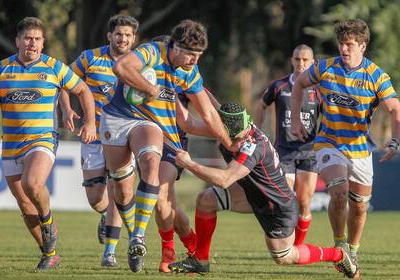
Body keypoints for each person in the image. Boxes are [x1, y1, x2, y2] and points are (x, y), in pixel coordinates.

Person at [99, 19, 235, 273]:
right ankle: (139, 237)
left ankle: (146, 241)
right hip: (118, 118)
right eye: (190, 55)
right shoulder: (152, 52)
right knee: (123, 191)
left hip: (161, 133)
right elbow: (122, 67)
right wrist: (149, 87)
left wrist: (230, 142)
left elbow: (206, 114)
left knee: (158, 188)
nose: (195, 61)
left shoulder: (190, 73)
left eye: (199, 56)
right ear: (174, 47)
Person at [168, 102, 358, 278]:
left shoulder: (252, 147)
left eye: (236, 139)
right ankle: (200, 260)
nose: (233, 143)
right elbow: (202, 105)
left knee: (285, 256)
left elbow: (225, 180)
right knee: (206, 201)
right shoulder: (231, 123)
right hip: (252, 195)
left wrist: (190, 164)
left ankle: (338, 254)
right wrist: (183, 82)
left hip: (276, 207)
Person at [0, 17, 96, 270]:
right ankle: (50, 252)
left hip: (42, 138)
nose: (32, 43)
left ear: (43, 43)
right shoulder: (2, 68)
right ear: (17, 41)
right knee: (24, 204)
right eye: (27, 38)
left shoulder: (55, 67)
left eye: (37, 39)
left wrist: (90, 123)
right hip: (10, 144)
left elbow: (84, 91)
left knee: (32, 183)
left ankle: (48, 221)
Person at [290, 19, 400, 277]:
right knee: (339, 191)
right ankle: (339, 245)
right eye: (341, 43)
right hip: (328, 142)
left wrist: (394, 140)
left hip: (360, 149)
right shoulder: (325, 67)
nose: (344, 49)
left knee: (360, 206)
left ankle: (352, 250)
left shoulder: (375, 75)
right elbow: (299, 84)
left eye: (350, 44)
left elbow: (395, 109)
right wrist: (296, 119)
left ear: (362, 46)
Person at [59, 15, 139, 267]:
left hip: (124, 135)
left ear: (133, 38)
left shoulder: (141, 64)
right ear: (109, 36)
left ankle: (110, 252)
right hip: (93, 134)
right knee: (96, 198)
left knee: (119, 190)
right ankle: (106, 215)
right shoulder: (90, 58)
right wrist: (66, 109)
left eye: (127, 35)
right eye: (119, 34)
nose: (123, 39)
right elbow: (63, 81)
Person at [254, 44, 320, 245]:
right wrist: (257, 132)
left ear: (313, 62)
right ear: (292, 60)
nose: (301, 63)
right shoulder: (278, 86)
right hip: (284, 151)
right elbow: (261, 105)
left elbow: (328, 116)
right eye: (297, 59)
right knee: (285, 200)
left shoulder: (318, 90)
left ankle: (298, 247)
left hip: (309, 152)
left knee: (304, 202)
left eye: (305, 60)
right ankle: (286, 244)